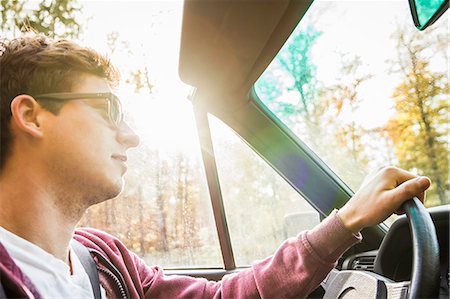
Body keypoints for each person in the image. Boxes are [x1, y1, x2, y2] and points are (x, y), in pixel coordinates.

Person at [0, 34, 431, 299]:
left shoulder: (105, 259)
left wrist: (348, 219)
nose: (130, 135)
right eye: (109, 108)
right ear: (32, 116)